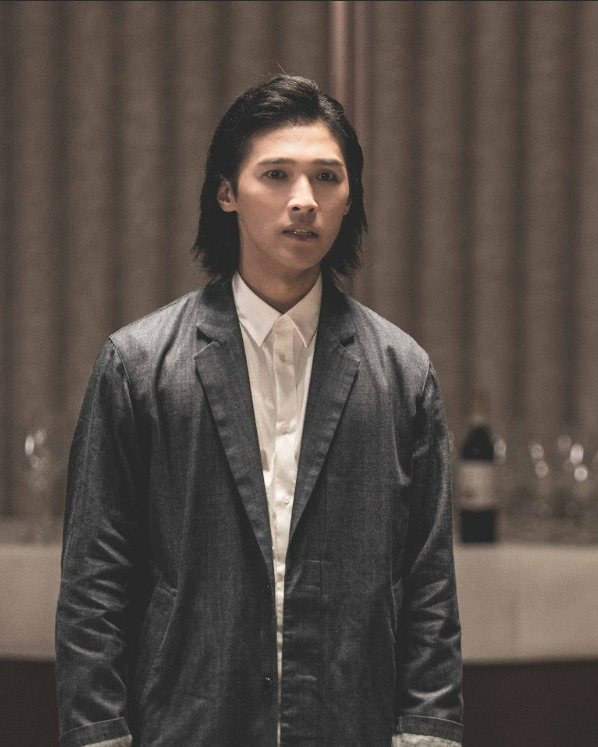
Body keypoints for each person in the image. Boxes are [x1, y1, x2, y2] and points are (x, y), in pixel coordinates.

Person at [56, 75, 462, 747]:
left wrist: (428, 733)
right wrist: (99, 733)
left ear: (350, 196)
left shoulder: (402, 372)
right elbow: (93, 584)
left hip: (349, 723)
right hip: (187, 724)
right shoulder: (139, 366)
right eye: (276, 174)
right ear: (226, 192)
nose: (304, 199)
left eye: (327, 177)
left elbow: (429, 587)